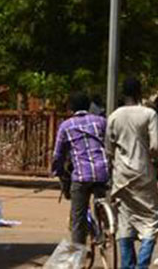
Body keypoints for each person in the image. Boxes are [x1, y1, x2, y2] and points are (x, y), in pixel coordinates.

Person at [106, 77, 158, 269]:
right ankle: (142, 264)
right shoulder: (149, 114)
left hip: (121, 175)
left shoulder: (114, 116)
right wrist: (153, 158)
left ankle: (127, 265)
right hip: (143, 173)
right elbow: (156, 147)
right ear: (140, 92)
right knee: (152, 219)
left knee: (125, 220)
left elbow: (108, 148)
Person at [51, 92, 109, 247]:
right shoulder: (101, 122)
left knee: (78, 217)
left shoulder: (66, 126)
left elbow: (58, 155)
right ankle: (105, 226)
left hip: (82, 176)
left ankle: (79, 256)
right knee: (101, 198)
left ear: (71, 108)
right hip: (103, 173)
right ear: (88, 106)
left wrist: (57, 171)